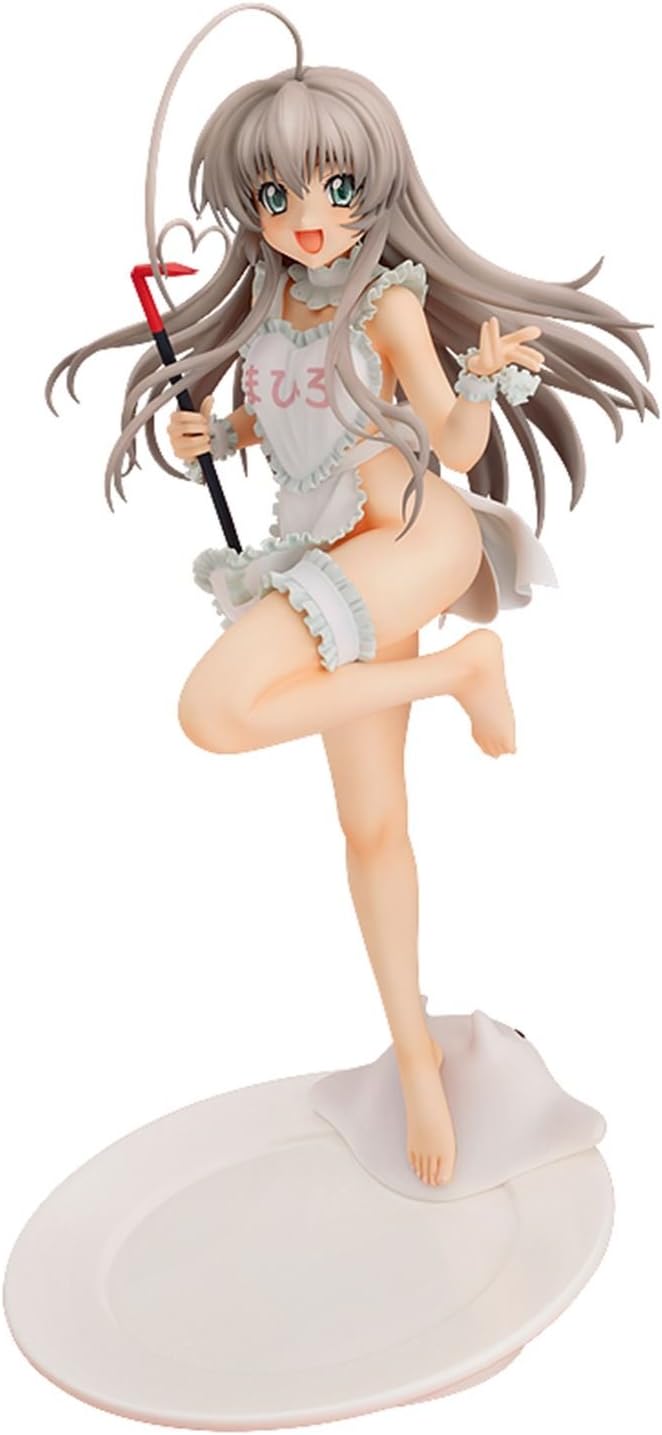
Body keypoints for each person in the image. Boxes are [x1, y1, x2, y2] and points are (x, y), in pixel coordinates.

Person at [47, 5, 657, 1188]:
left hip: (412, 540)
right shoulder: (275, 306)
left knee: (214, 709)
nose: (306, 216)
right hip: (330, 553)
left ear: (373, 185)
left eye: (331, 187)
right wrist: (206, 433)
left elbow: (449, 442)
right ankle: (414, 1056)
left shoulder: (384, 301)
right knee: (370, 824)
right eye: (275, 195)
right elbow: (282, 426)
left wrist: (478, 383)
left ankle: (458, 668)